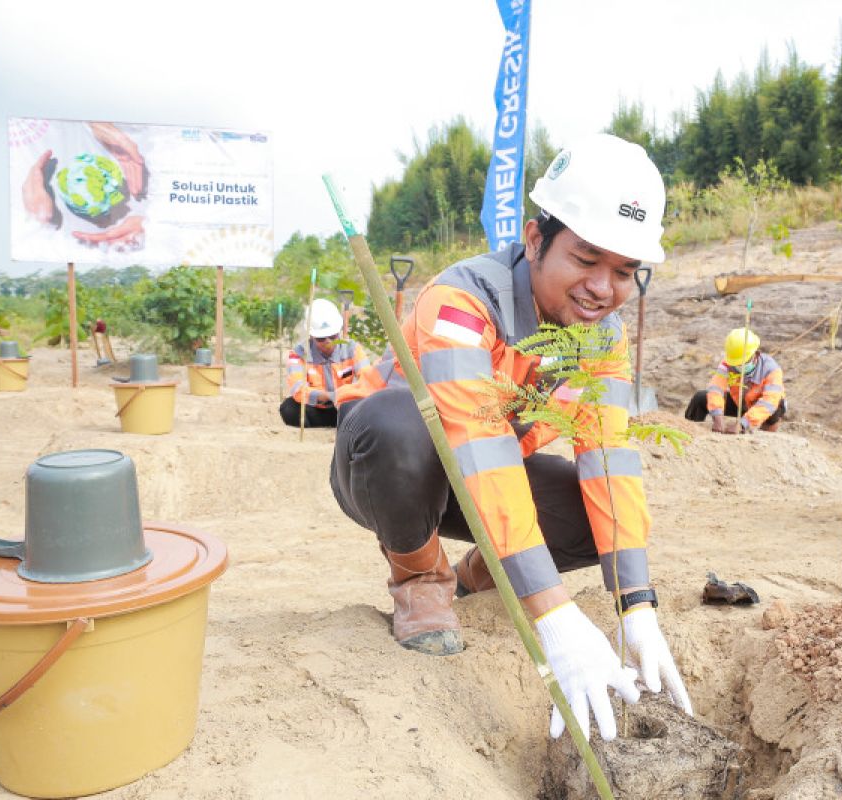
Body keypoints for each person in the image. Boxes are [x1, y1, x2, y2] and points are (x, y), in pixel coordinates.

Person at [329, 133, 692, 742]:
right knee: (397, 427)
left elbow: (610, 459)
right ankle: (420, 578)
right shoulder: (463, 303)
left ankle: (480, 575)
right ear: (534, 239)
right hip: (390, 466)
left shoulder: (600, 336)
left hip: (487, 477)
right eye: (586, 259)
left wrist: (637, 603)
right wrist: (551, 614)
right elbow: (478, 444)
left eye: (625, 271)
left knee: (587, 511)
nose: (604, 288)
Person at [280, 298, 371, 428]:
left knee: (365, 407)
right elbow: (298, 390)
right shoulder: (299, 354)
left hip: (344, 407)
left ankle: (345, 424)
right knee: (289, 408)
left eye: (333, 336)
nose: (328, 341)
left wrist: (347, 394)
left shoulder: (352, 349)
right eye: (321, 338)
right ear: (311, 336)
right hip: (315, 408)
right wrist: (330, 396)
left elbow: (367, 378)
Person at [684, 327, 786, 434]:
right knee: (700, 398)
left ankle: (764, 436)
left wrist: (743, 424)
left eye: (743, 362)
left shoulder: (771, 369)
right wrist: (717, 417)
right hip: (740, 402)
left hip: (762, 407)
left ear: (756, 354)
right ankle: (687, 430)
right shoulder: (727, 364)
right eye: (736, 363)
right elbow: (716, 388)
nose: (739, 366)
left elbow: (769, 402)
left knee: (776, 405)